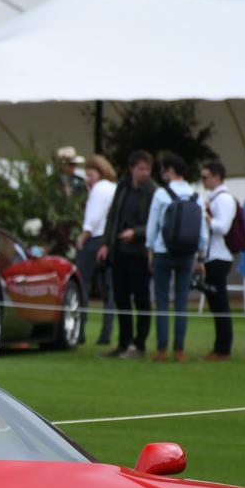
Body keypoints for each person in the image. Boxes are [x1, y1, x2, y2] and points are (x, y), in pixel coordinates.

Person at [145, 152, 205, 362]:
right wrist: (201, 255)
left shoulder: (162, 194)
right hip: (187, 252)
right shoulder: (195, 194)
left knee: (161, 301)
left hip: (164, 250)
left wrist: (149, 250)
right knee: (181, 302)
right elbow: (202, 228)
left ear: (170, 170)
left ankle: (162, 349)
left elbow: (153, 225)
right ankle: (179, 350)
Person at [97, 151, 154, 359]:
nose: (145, 173)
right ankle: (123, 342)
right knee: (121, 298)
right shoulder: (122, 187)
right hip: (120, 252)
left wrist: (136, 233)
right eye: (141, 169)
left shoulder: (152, 191)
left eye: (148, 169)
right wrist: (106, 244)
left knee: (142, 299)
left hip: (140, 253)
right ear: (131, 169)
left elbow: (154, 223)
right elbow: (113, 217)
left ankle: (139, 345)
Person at [74, 154, 117, 346]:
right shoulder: (114, 188)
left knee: (81, 285)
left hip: (94, 240)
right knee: (109, 290)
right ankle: (106, 332)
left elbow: (94, 217)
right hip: (110, 241)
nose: (88, 180)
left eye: (90, 175)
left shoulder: (99, 189)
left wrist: (83, 237)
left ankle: (79, 329)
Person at [199, 158, 238, 360]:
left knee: (220, 304)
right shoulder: (215, 198)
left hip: (219, 256)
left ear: (216, 177)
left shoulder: (224, 199)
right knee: (216, 304)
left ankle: (223, 348)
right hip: (213, 255)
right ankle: (219, 346)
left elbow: (223, 227)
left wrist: (206, 216)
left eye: (205, 177)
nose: (203, 181)